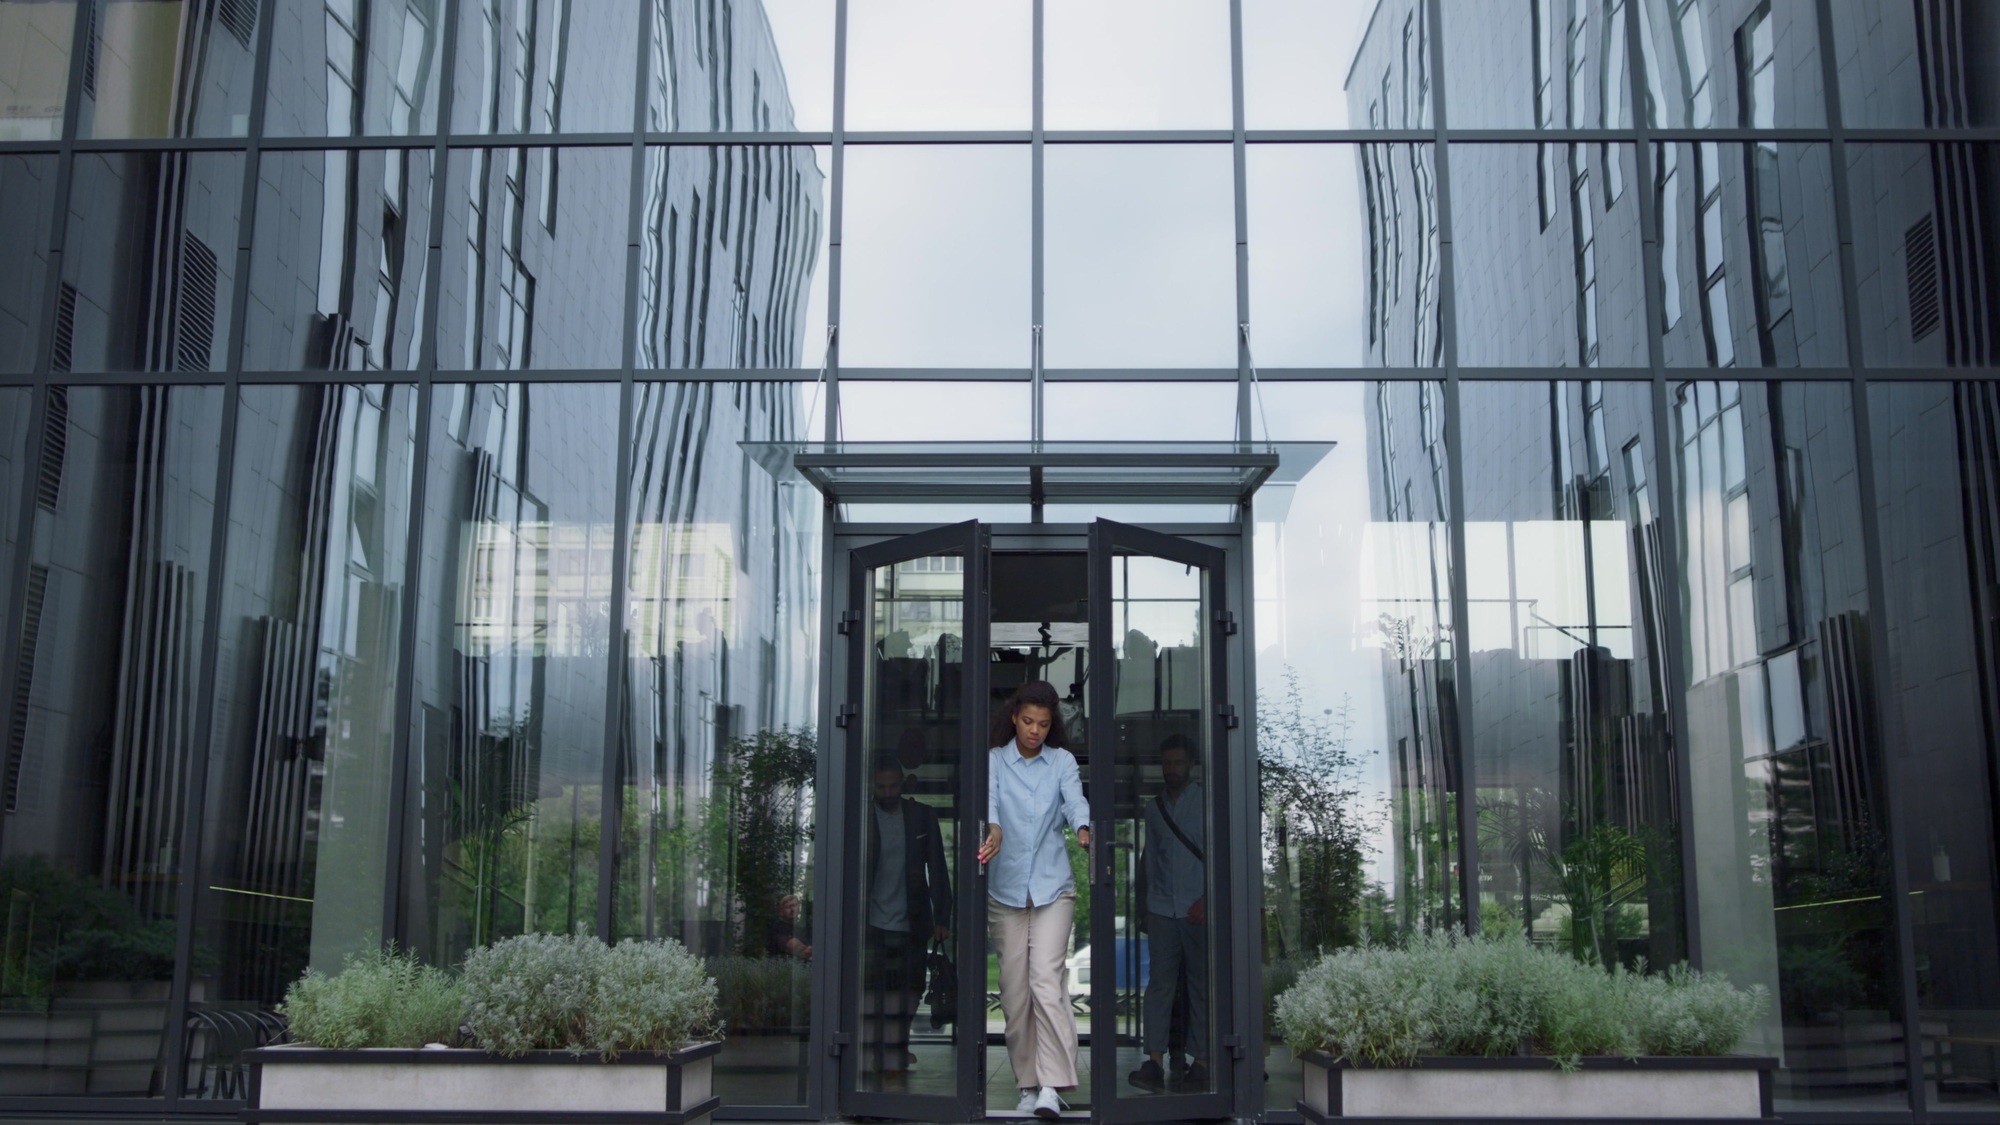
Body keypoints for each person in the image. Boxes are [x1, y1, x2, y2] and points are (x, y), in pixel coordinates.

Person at [979, 681, 1090, 1121]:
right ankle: (1028, 1083)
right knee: (1014, 990)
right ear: (1013, 717)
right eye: (1028, 721)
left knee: (1046, 977)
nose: (1035, 731)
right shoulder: (994, 761)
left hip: (1052, 888)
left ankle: (1052, 1084)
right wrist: (993, 826)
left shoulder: (1061, 761)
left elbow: (1074, 801)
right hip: (1004, 889)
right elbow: (987, 801)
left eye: (1044, 724)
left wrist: (1083, 828)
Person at [862, 756, 952, 1091]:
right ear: (873, 786)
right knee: (878, 994)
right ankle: (884, 1053)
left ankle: (897, 1049)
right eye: (880, 786)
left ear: (902, 784)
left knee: (910, 993)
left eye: (892, 786)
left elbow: (938, 869)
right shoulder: (862, 816)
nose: (887, 792)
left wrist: (942, 917)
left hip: (913, 920)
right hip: (871, 922)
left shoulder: (920, 816)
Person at [1128, 735, 1210, 1093]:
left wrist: (1209, 898)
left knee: (1201, 985)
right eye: (1167, 763)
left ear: (1190, 764)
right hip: (1161, 907)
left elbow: (1221, 853)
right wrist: (1143, 905)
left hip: (1198, 908)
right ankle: (1154, 1060)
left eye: (1178, 762)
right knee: (1159, 985)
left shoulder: (1207, 801)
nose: (1172, 769)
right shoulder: (1153, 808)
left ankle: (1202, 1061)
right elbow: (1150, 858)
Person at [766, 893, 811, 961]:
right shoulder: (776, 927)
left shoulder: (803, 928)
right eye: (788, 907)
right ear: (781, 911)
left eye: (794, 905)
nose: (792, 909)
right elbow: (793, 945)